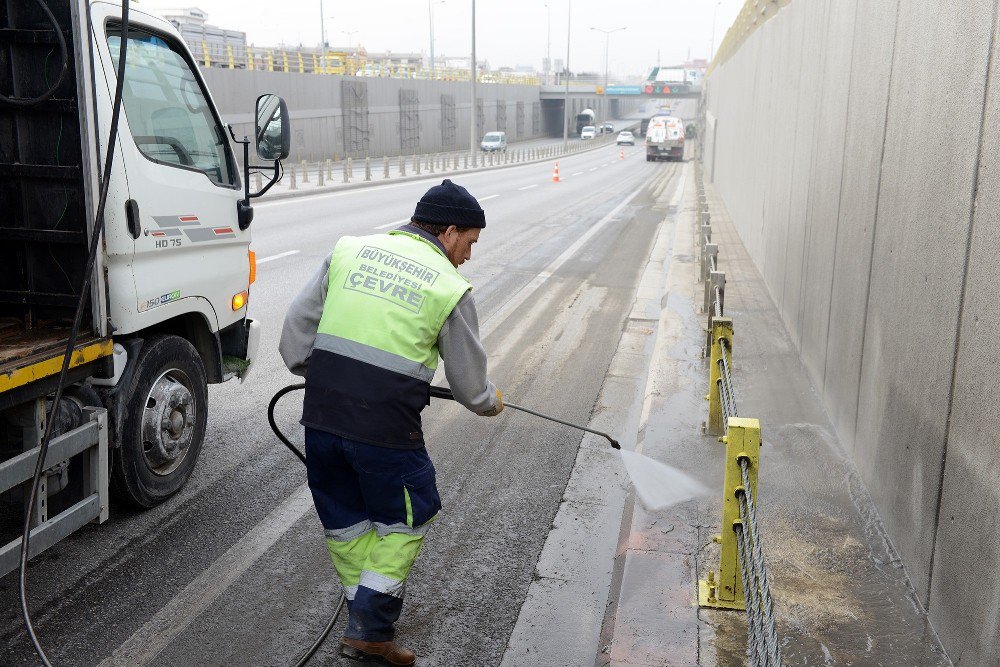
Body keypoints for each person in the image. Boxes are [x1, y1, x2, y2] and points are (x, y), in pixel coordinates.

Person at [279, 179, 503, 665]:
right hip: (385, 432)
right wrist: (490, 402)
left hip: (320, 420)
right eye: (469, 243)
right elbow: (469, 387)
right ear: (448, 232)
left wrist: (328, 378)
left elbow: (295, 338)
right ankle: (370, 631)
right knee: (407, 518)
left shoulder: (350, 250)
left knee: (345, 520)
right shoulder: (447, 286)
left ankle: (362, 617)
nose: (467, 256)